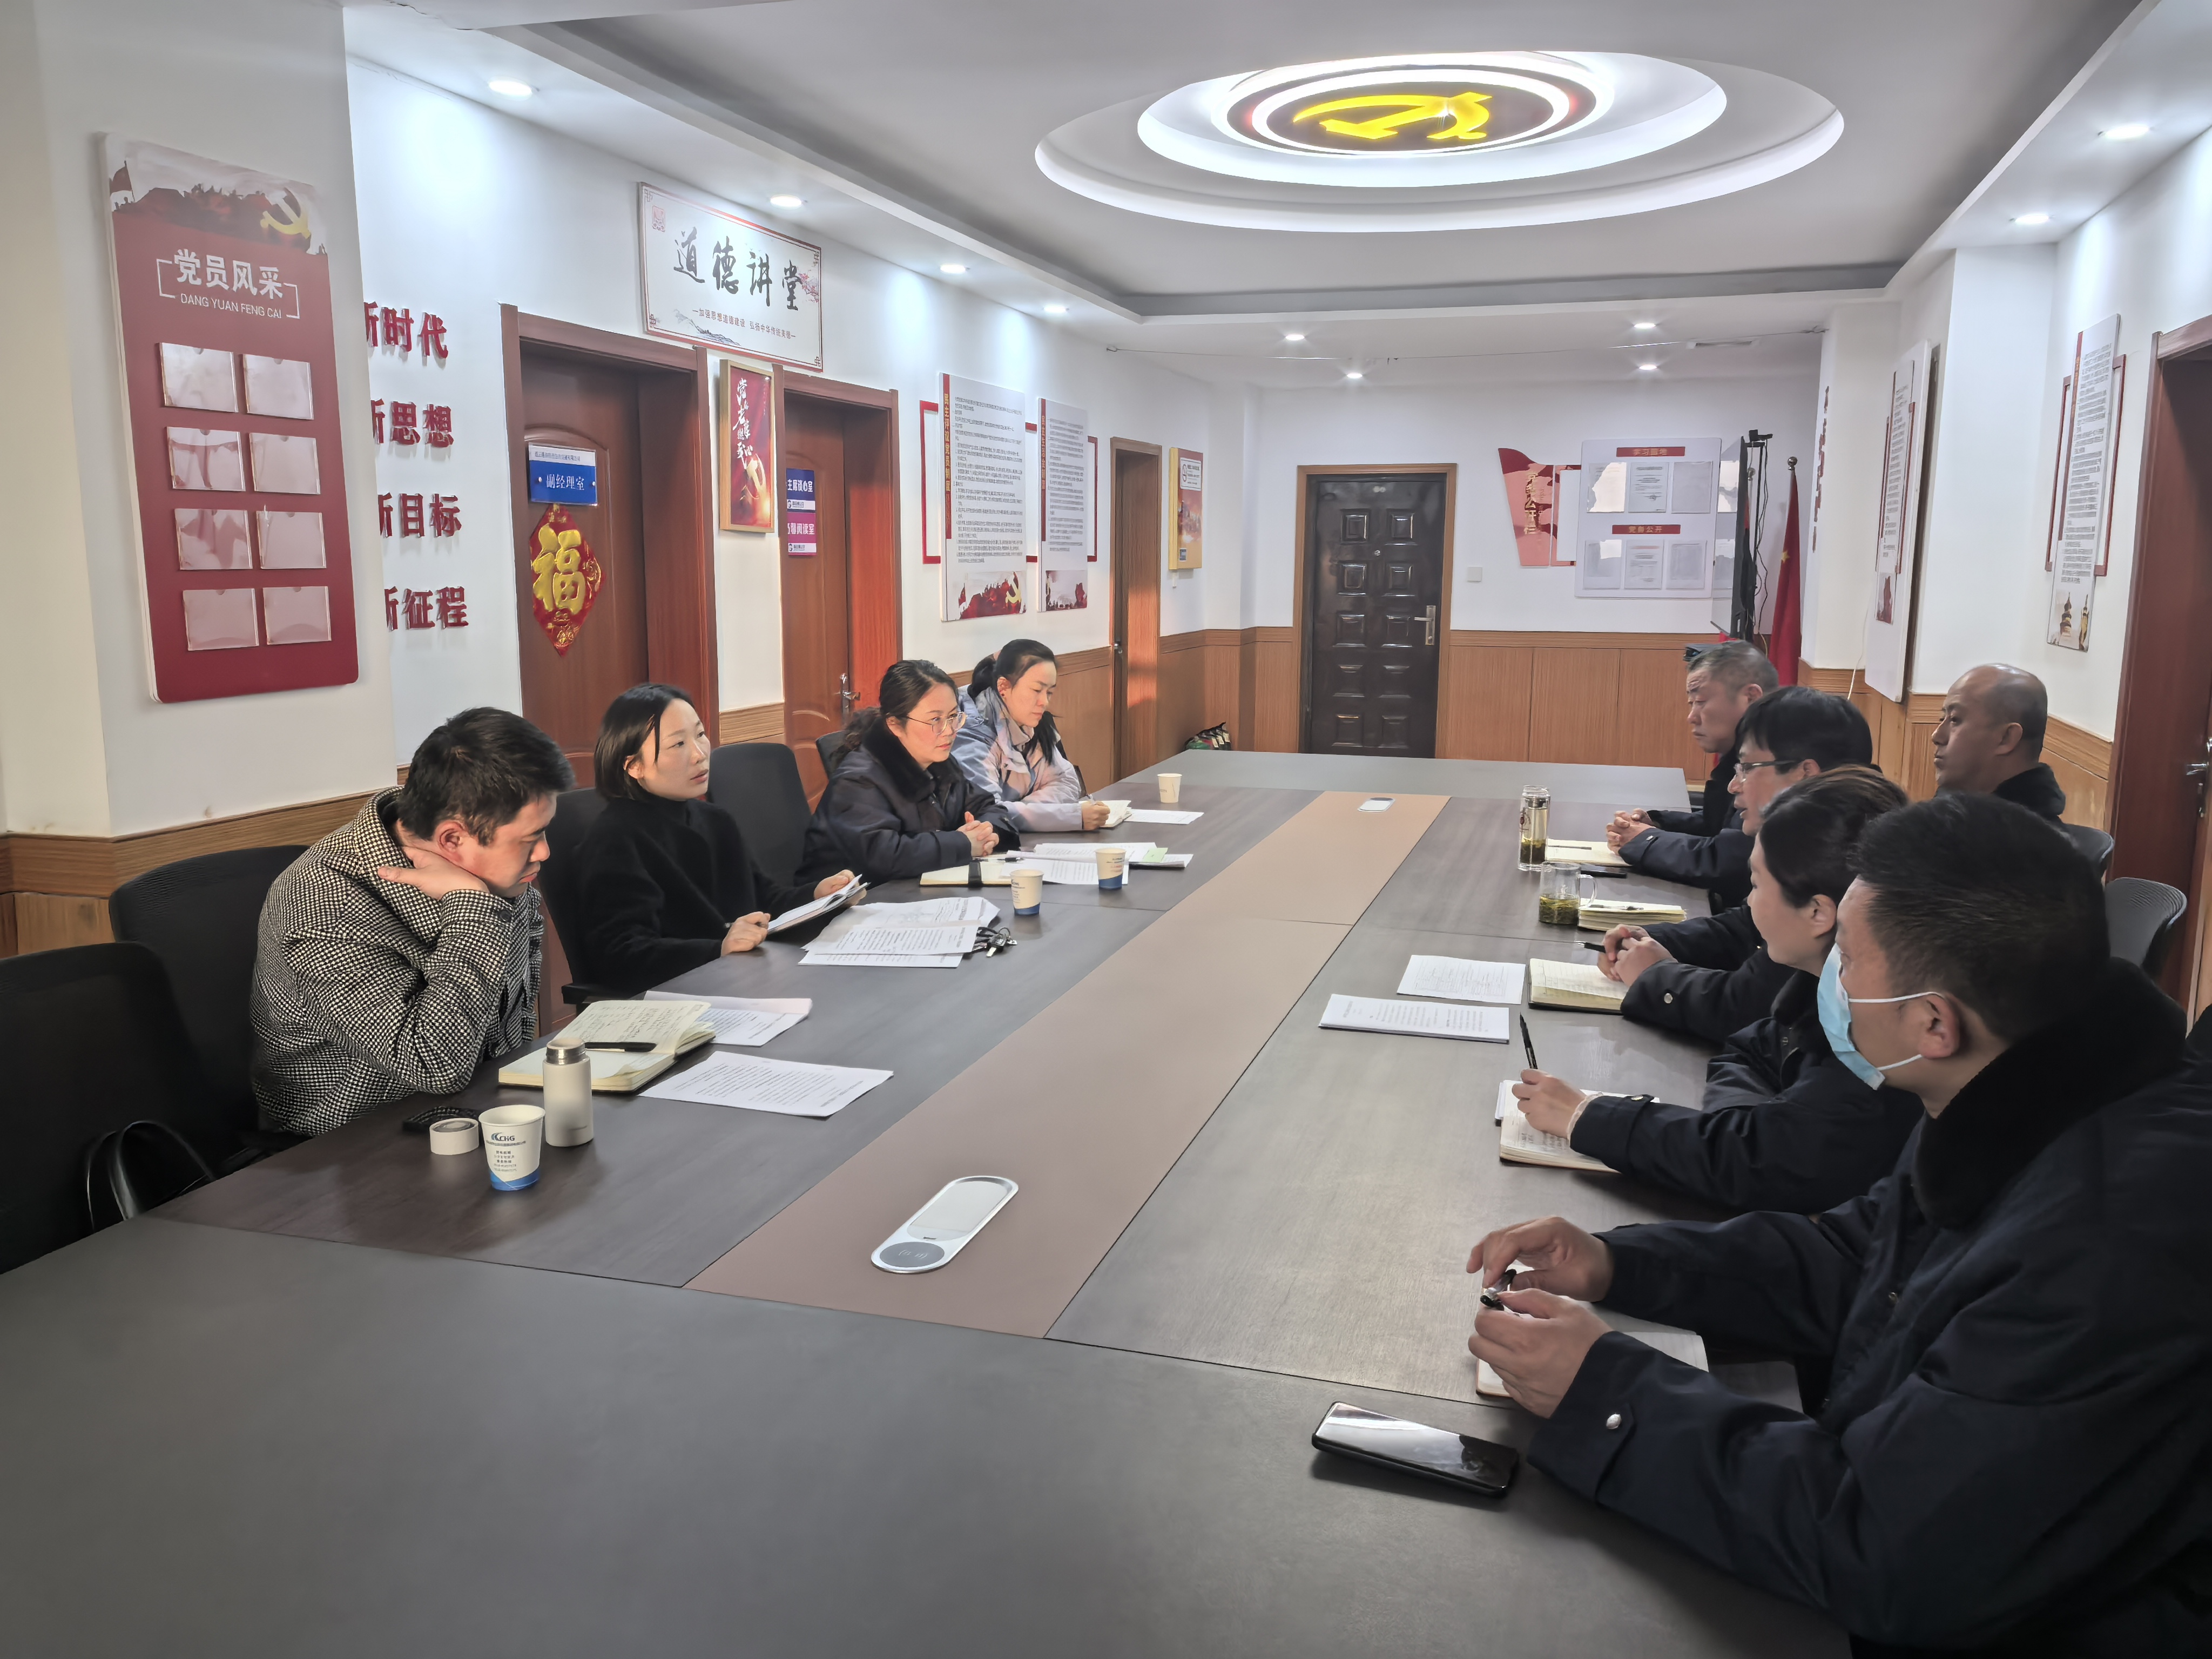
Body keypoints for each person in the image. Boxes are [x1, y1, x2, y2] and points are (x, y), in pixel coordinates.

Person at [1468, 794, 2212, 1655]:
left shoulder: (2104, 1245)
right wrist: (1617, 1263)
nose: (1833, 984)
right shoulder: (2025, 1086)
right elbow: (1857, 1259)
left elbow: (1890, 1546)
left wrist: (1605, 1391)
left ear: (1934, 1023)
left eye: (1849, 962)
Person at [1515, 767, 1921, 1214]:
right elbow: (1747, 1052)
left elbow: (1760, 1162)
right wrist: (1740, 1129)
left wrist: (1587, 1117)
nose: (1749, 903)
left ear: (1818, 914)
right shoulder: (1819, 984)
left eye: (1756, 885)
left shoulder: (1874, 1032)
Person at [251, 707, 572, 1136]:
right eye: (530, 839)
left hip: (479, 1107)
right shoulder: (320, 904)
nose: (544, 852)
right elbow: (434, 1065)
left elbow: (512, 1022)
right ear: (452, 839)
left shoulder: (498, 871)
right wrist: (472, 909)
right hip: (347, 1142)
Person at [1603, 686, 1874, 1042]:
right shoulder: (1810, 835)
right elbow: (1745, 928)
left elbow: (1745, 1008)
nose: (1735, 785)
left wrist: (1654, 974)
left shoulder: (1843, 856)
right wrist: (1648, 940)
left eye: (1747, 768)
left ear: (1804, 773)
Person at [569, 684, 857, 997]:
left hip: (744, 980)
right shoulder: (615, 839)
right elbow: (622, 956)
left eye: (700, 734)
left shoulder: (715, 820)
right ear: (634, 766)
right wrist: (717, 949)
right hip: (680, 1000)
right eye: (678, 744)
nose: (699, 754)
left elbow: (763, 900)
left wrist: (817, 895)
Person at [804, 659, 1022, 885]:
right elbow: (883, 857)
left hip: (919, 891)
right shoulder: (857, 780)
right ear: (895, 724)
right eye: (935, 720)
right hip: (856, 899)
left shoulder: (939, 761)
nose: (949, 731)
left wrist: (987, 832)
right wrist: (963, 844)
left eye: (953, 717)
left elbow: (990, 808)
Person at [1606, 640, 1777, 906]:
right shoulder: (1744, 753)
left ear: (1751, 698)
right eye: (1691, 703)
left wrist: (1646, 841)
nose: (1691, 717)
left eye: (1701, 702)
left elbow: (1727, 862)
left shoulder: (1776, 764)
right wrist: (1659, 823)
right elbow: (1719, 825)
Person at [953, 639, 1111, 832]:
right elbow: (988, 813)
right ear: (1003, 687)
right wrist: (1067, 816)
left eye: (1049, 692)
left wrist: (1026, 811)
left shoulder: (1027, 720)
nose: (1044, 702)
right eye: (1036, 690)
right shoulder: (971, 735)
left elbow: (1066, 781)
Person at [1931, 663, 2066, 821]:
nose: (1937, 736)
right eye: (1942, 718)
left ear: (2006, 738)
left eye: (1955, 719)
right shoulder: (1951, 814)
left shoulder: (2024, 835)